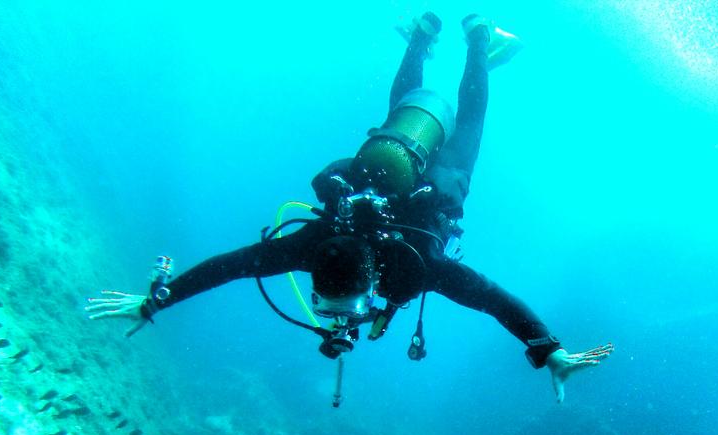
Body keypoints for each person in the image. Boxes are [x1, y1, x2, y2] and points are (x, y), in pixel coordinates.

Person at [87, 13, 613, 403]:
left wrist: (548, 350)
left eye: (335, 308)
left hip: (440, 182)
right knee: (400, 114)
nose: (344, 320)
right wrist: (545, 348)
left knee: (464, 122)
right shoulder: (324, 250)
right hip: (393, 164)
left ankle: (477, 39)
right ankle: (429, 36)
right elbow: (493, 300)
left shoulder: (378, 257)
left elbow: (229, 267)